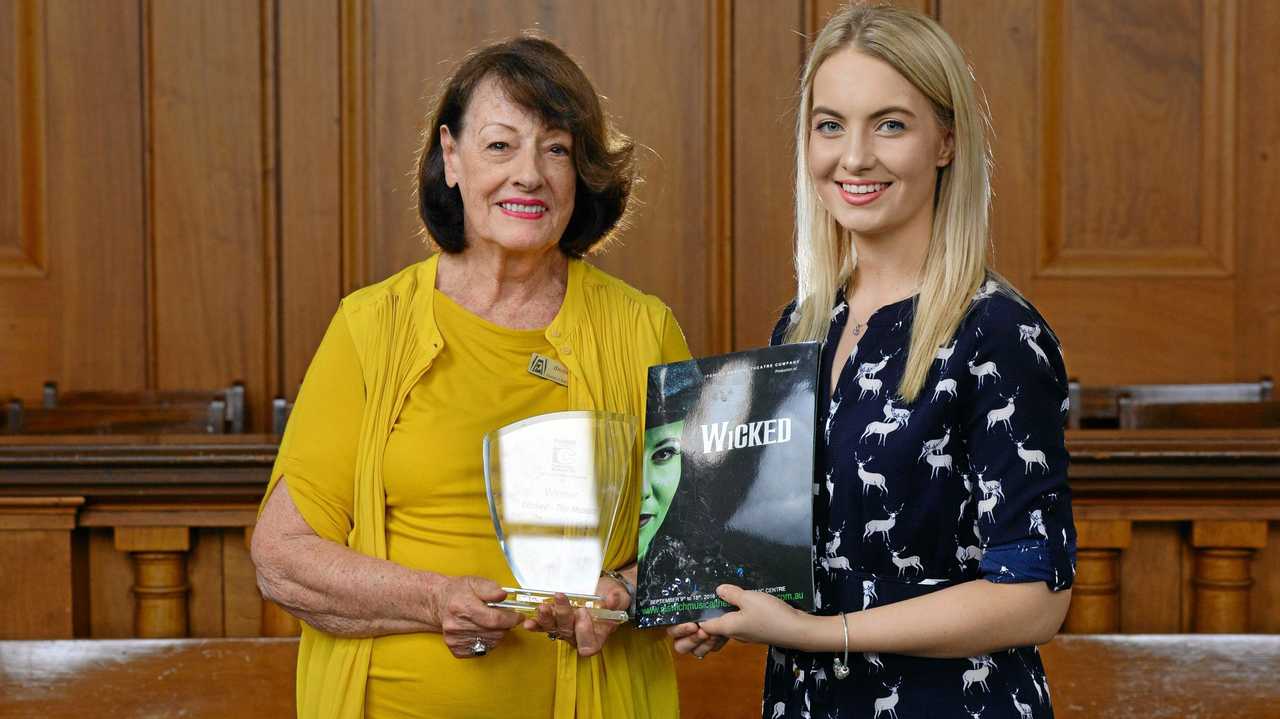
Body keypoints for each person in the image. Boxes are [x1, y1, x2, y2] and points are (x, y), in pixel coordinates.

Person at [250, 35, 689, 719]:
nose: (529, 174)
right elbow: (281, 555)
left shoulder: (644, 330)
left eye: (556, 149)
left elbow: (696, 550)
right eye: (499, 146)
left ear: (582, 174)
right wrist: (433, 598)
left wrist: (623, 595)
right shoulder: (370, 327)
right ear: (450, 158)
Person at [669, 5, 1077, 718]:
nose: (853, 157)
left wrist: (819, 633)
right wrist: (716, 599)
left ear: (946, 141)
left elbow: (1035, 595)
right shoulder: (802, 325)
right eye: (830, 125)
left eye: (889, 123)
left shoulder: (997, 333)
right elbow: (788, 550)